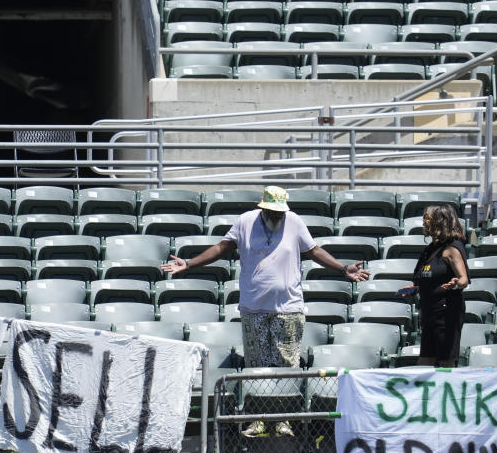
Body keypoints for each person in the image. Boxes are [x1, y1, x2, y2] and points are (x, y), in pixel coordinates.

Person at [161, 185, 370, 437]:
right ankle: (257, 420)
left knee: (285, 366)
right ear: (263, 208)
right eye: (273, 212)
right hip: (254, 309)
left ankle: (283, 421)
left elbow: (313, 251)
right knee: (256, 367)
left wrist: (342, 268)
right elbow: (221, 247)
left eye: (280, 213)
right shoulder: (245, 221)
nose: (277, 217)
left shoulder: (293, 221)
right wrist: (190, 263)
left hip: (288, 309)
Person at [398, 204, 470, 368]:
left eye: (427, 218)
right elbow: (424, 279)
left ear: (440, 222)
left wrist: (455, 284)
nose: (424, 222)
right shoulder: (430, 250)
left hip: (446, 312)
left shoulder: (452, 248)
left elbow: (463, 279)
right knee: (426, 360)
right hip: (429, 311)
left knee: (445, 361)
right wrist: (413, 289)